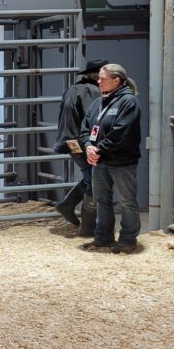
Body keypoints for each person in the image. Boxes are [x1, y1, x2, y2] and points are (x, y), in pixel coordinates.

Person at [78, 64, 142, 254]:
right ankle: (103, 238)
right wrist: (88, 146)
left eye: (102, 78)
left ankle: (127, 240)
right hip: (100, 161)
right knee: (102, 201)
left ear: (117, 80)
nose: (98, 81)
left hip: (122, 162)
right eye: (98, 78)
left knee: (127, 202)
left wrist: (98, 150)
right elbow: (85, 128)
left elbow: (121, 132)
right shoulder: (98, 102)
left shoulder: (128, 102)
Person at [53, 59, 107, 236]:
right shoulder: (91, 91)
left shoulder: (73, 89)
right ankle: (88, 228)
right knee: (93, 179)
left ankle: (68, 205)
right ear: (96, 74)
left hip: (70, 141)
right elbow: (93, 119)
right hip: (81, 141)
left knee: (89, 175)